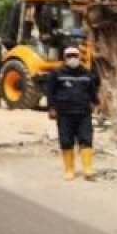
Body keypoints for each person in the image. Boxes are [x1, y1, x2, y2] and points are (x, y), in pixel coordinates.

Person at [46, 45, 100, 180]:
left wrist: (97, 103)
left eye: (75, 56)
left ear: (79, 57)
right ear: (65, 58)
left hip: (83, 113)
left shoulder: (86, 74)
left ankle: (88, 169)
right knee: (66, 141)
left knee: (86, 140)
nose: (72, 59)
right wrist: (51, 108)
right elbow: (50, 92)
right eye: (69, 56)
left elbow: (92, 91)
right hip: (64, 114)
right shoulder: (57, 73)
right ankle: (69, 170)